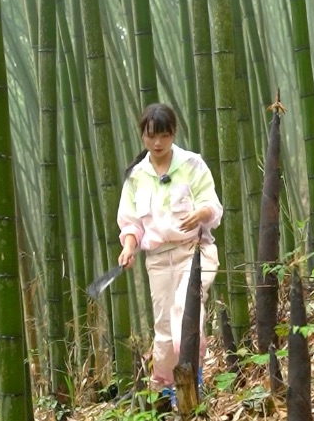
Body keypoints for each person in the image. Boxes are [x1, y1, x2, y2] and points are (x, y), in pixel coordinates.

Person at [116, 103, 223, 402]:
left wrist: (201, 213)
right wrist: (128, 248)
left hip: (194, 252)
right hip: (159, 260)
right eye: (151, 136)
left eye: (164, 135)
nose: (158, 143)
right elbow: (131, 223)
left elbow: (213, 206)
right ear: (143, 136)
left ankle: (193, 380)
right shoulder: (137, 176)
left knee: (185, 312)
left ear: (174, 133)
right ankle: (165, 389)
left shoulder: (191, 164)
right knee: (163, 328)